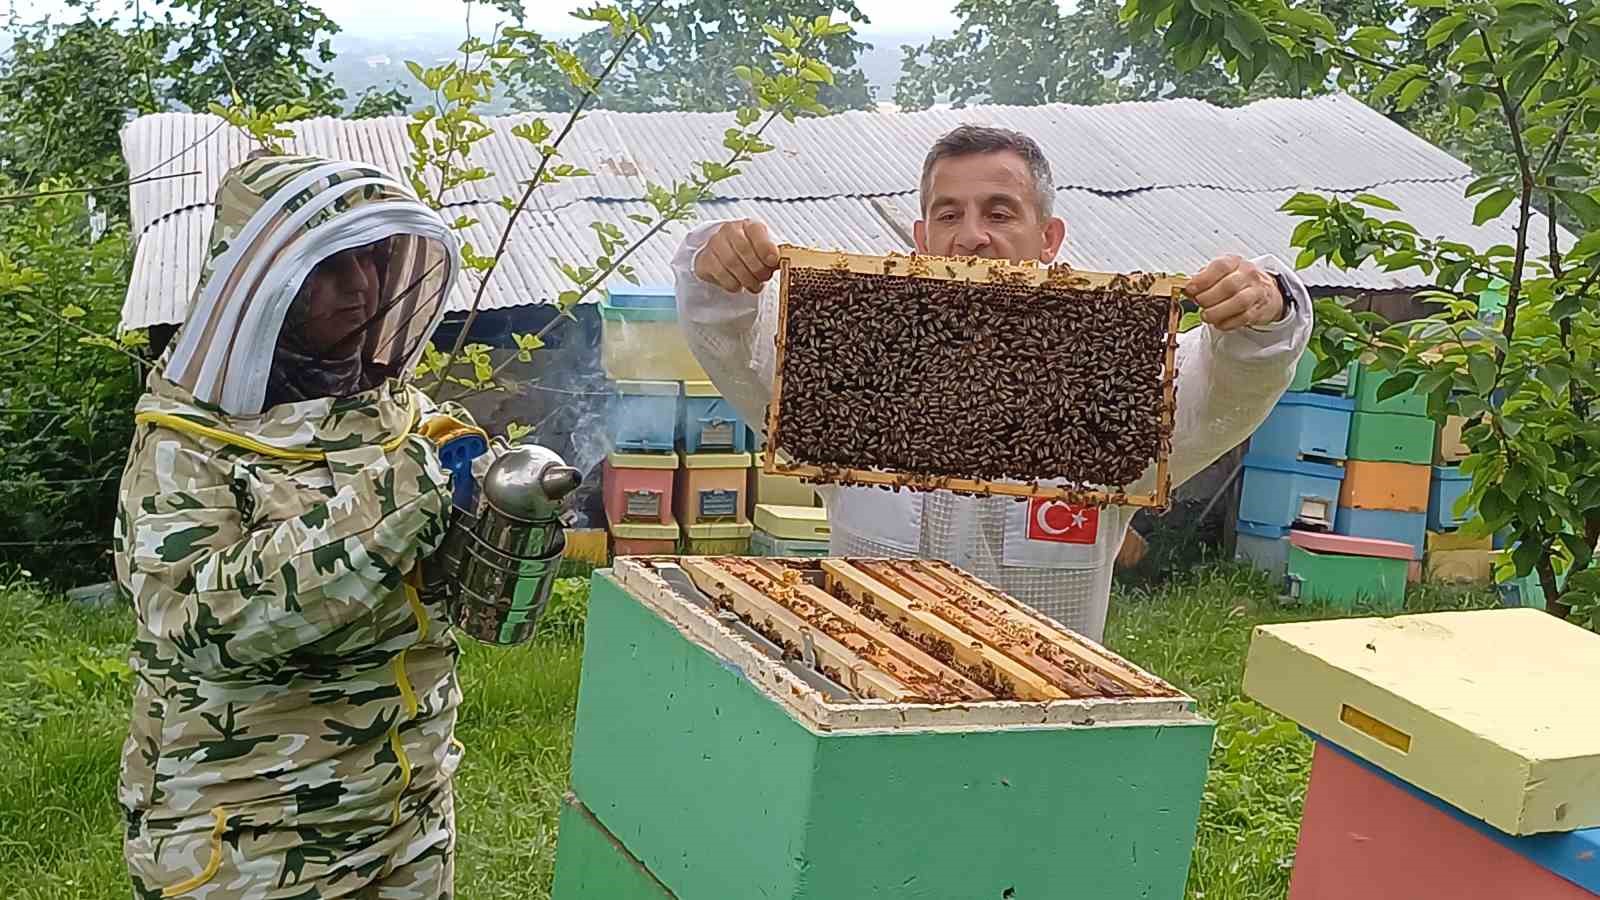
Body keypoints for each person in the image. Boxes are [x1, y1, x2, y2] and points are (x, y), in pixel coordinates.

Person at [673, 125, 1312, 643]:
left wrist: (1264, 313)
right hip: (866, 688)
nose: (972, 235)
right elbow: (740, 352)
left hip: (1044, 715)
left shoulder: (1114, 378)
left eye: (1000, 212)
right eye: (948, 213)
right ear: (921, 238)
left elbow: (1224, 390)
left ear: (1049, 238)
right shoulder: (851, 369)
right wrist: (717, 273)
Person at [114, 154, 482, 898]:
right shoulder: (185, 444)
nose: (362, 289)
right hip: (254, 835)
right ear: (260, 284)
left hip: (408, 817)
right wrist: (403, 499)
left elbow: (446, 590)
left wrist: (505, 521)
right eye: (330, 270)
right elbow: (207, 622)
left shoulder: (392, 412)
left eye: (373, 262)